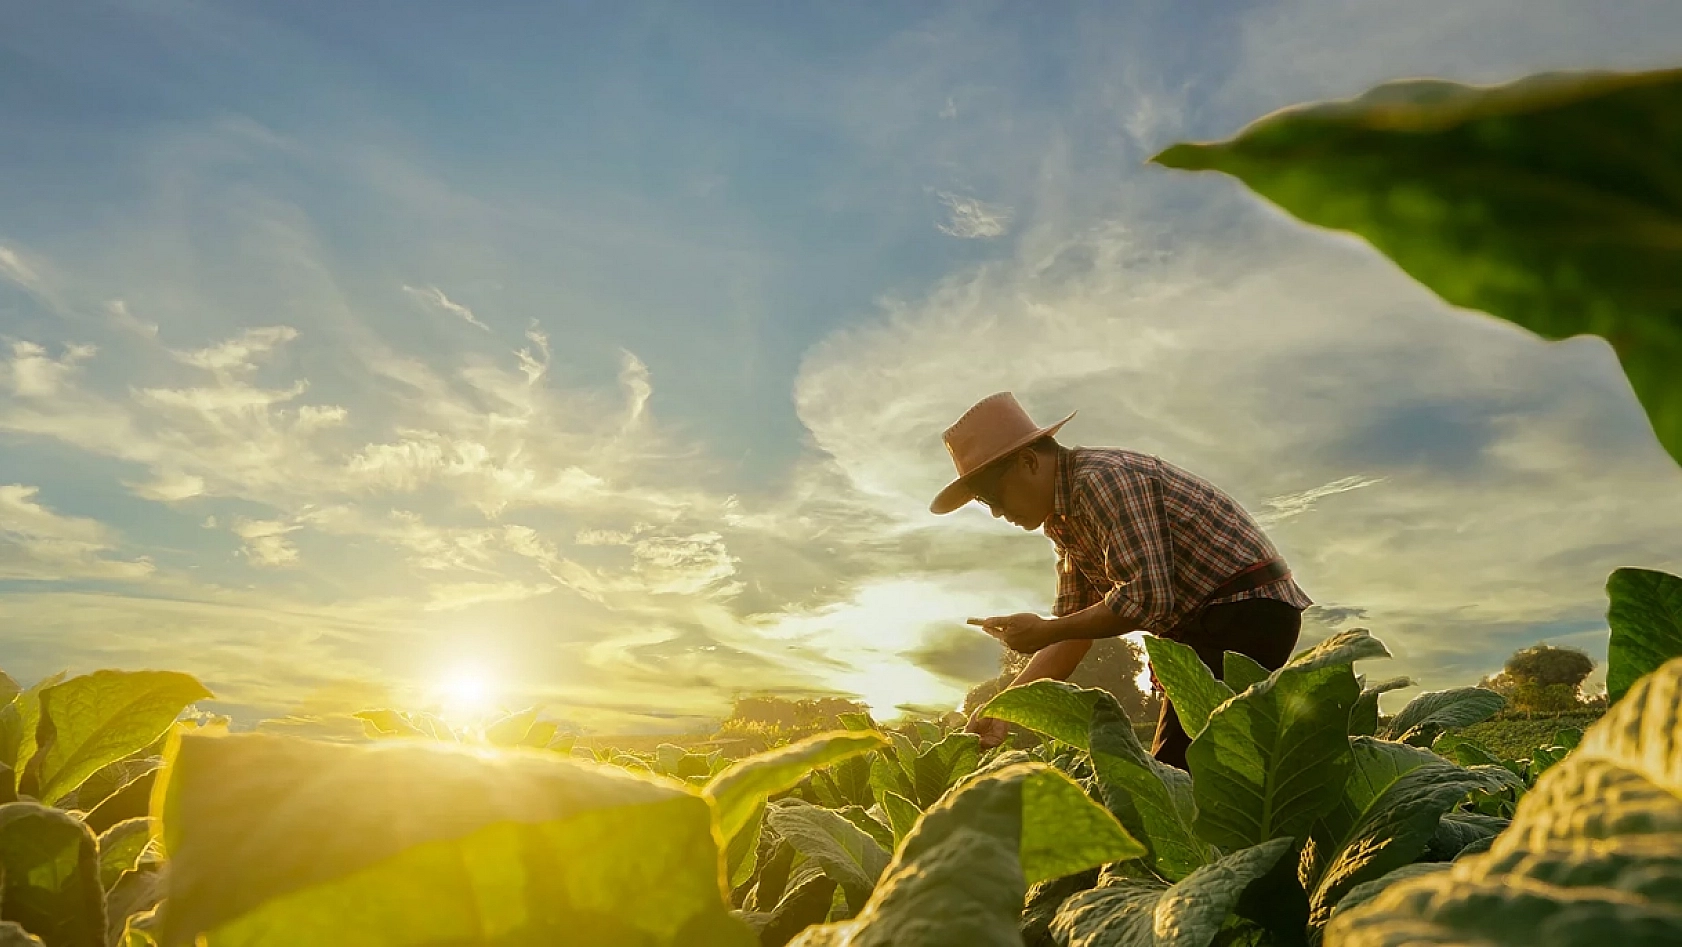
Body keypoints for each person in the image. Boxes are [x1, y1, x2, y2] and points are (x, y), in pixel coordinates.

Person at [930, 392, 1311, 769]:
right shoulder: (1064, 520)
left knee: (1178, 775)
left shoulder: (1103, 480)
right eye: (985, 502)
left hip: (1245, 611)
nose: (997, 512)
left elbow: (1145, 600)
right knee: (1201, 772)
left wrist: (1047, 630)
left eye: (992, 496)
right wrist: (1005, 706)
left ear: (1028, 461)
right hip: (1207, 628)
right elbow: (1071, 633)